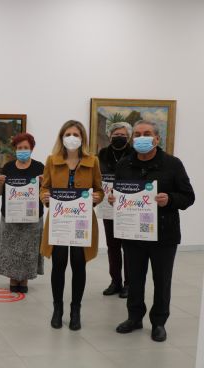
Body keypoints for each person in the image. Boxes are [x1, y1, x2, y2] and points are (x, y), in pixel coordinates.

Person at [112, 120, 194, 342]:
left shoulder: (172, 164)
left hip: (164, 235)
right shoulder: (125, 164)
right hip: (133, 234)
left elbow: (188, 196)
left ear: (157, 138)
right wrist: (114, 199)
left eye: (147, 133)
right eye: (137, 134)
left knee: (162, 280)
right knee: (134, 279)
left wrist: (170, 199)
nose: (142, 138)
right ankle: (134, 318)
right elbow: (120, 192)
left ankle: (159, 322)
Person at [41, 120, 103, 331]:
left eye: (76, 134)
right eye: (68, 134)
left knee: (78, 263)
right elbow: (44, 187)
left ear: (82, 138)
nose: (72, 138)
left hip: (81, 222)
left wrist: (97, 197)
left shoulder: (93, 161)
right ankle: (57, 309)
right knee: (58, 263)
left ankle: (75, 309)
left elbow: (99, 189)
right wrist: (45, 197)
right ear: (61, 137)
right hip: (59, 221)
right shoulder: (52, 160)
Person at [0, 132, 44, 293]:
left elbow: (47, 193)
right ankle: (13, 279)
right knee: (11, 250)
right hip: (11, 217)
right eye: (19, 147)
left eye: (26, 147)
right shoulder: (8, 167)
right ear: (15, 149)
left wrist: (44, 183)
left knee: (29, 250)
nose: (22, 150)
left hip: (32, 218)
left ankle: (24, 280)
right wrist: (0, 183)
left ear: (32, 149)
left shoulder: (39, 167)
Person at [98, 121, 134, 298]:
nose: (119, 138)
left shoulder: (134, 154)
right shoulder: (103, 154)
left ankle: (129, 284)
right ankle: (115, 281)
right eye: (116, 135)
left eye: (123, 135)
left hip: (130, 207)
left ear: (129, 137)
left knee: (128, 247)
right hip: (108, 205)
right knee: (112, 247)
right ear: (110, 135)